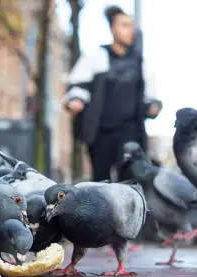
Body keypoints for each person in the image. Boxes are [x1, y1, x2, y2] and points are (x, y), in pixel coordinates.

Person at [64, 5, 162, 182]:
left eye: (131, 25)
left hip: (131, 133)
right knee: (100, 181)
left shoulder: (141, 63)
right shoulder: (96, 57)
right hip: (101, 133)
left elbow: (151, 96)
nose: (129, 30)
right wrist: (76, 99)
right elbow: (78, 85)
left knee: (130, 180)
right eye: (124, 25)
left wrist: (153, 106)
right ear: (113, 28)